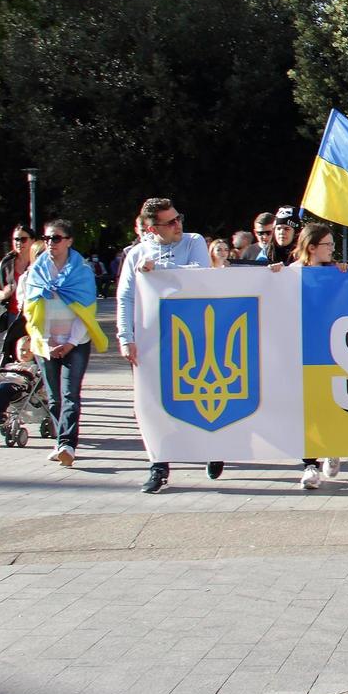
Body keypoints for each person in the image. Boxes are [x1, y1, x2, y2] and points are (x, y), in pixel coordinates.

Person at [118, 198, 219, 494]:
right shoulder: (137, 254)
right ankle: (159, 465)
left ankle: (213, 446)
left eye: (178, 218)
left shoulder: (193, 241)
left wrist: (159, 271)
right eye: (170, 222)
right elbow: (126, 298)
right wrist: (126, 338)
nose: (178, 225)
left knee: (203, 394)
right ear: (152, 228)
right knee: (153, 405)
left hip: (193, 335)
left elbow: (197, 277)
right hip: (154, 339)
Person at [24, 219, 109, 468]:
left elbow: (86, 311)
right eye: (48, 238)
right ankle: (60, 441)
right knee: (54, 397)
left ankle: (67, 444)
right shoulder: (37, 271)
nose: (51, 243)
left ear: (69, 241)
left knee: (70, 393)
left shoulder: (81, 271)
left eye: (57, 238)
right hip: (46, 343)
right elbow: (31, 310)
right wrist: (44, 340)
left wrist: (70, 343)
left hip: (76, 342)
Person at [271, 223, 348, 488]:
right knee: (305, 409)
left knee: (330, 403)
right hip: (300, 350)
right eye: (328, 245)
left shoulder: (336, 272)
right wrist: (273, 276)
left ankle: (333, 446)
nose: (332, 249)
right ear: (312, 247)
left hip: (332, 349)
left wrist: (346, 275)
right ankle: (309, 465)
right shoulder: (292, 273)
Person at [0, 224, 34, 337]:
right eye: (16, 239)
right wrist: (4, 294)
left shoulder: (39, 262)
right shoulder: (6, 263)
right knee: (15, 350)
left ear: (33, 240)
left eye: (23, 239)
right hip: (14, 315)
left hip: (36, 314)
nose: (19, 243)